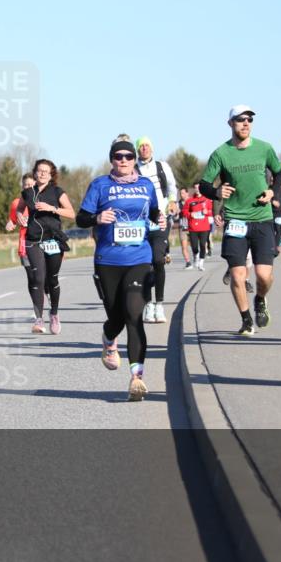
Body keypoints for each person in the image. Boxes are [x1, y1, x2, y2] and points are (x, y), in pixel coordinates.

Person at [77, 140, 165, 401]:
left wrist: (158, 218)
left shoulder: (146, 185)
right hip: (108, 261)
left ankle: (137, 378)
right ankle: (107, 338)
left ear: (135, 159)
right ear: (112, 159)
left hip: (139, 257)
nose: (124, 160)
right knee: (116, 317)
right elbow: (81, 218)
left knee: (133, 314)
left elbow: (153, 212)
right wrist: (97, 218)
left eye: (129, 156)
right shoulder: (100, 185)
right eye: (119, 156)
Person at [199, 105, 281, 336]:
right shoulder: (221, 154)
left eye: (250, 119)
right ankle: (246, 320)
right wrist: (217, 192)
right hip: (235, 220)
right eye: (240, 120)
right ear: (230, 124)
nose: (246, 123)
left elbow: (280, 173)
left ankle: (261, 299)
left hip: (262, 218)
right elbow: (204, 184)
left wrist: (273, 192)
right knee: (237, 275)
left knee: (264, 276)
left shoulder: (265, 148)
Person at [17, 159, 75, 334]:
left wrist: (52, 208)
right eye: (39, 171)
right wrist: (20, 216)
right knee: (38, 278)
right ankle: (39, 319)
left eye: (46, 171)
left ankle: (55, 314)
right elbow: (19, 209)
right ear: (35, 173)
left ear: (51, 175)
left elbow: (72, 213)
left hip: (53, 240)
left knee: (52, 279)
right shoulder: (28, 193)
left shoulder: (57, 192)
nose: (42, 174)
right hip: (33, 240)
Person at [135, 136, 178, 324]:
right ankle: (147, 305)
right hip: (140, 222)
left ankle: (159, 304)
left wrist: (172, 203)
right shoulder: (133, 169)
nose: (144, 148)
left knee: (158, 260)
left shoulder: (162, 166)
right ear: (137, 150)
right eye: (141, 146)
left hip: (160, 218)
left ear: (151, 149)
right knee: (144, 264)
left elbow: (171, 188)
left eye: (147, 146)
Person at [6, 173, 37, 309]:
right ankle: (37, 308)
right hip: (25, 246)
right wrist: (10, 224)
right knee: (32, 279)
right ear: (22, 187)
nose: (29, 187)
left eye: (31, 185)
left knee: (42, 279)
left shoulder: (41, 202)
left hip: (40, 244)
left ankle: (47, 297)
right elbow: (12, 220)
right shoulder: (16, 203)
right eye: (26, 185)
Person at [183, 182, 213, 271]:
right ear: (194, 189)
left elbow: (212, 211)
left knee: (203, 245)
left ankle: (201, 263)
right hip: (193, 227)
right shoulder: (190, 201)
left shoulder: (207, 199)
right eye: (196, 188)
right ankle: (195, 255)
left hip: (204, 227)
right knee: (194, 246)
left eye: (199, 187)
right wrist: (190, 214)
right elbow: (184, 212)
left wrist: (207, 212)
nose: (197, 189)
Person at [176, 187, 193, 269]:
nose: (181, 195)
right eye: (180, 193)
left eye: (183, 193)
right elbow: (175, 216)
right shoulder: (178, 204)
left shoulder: (192, 201)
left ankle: (198, 258)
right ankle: (188, 262)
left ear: (187, 193)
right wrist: (176, 213)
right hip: (183, 227)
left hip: (192, 226)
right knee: (184, 246)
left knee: (195, 245)